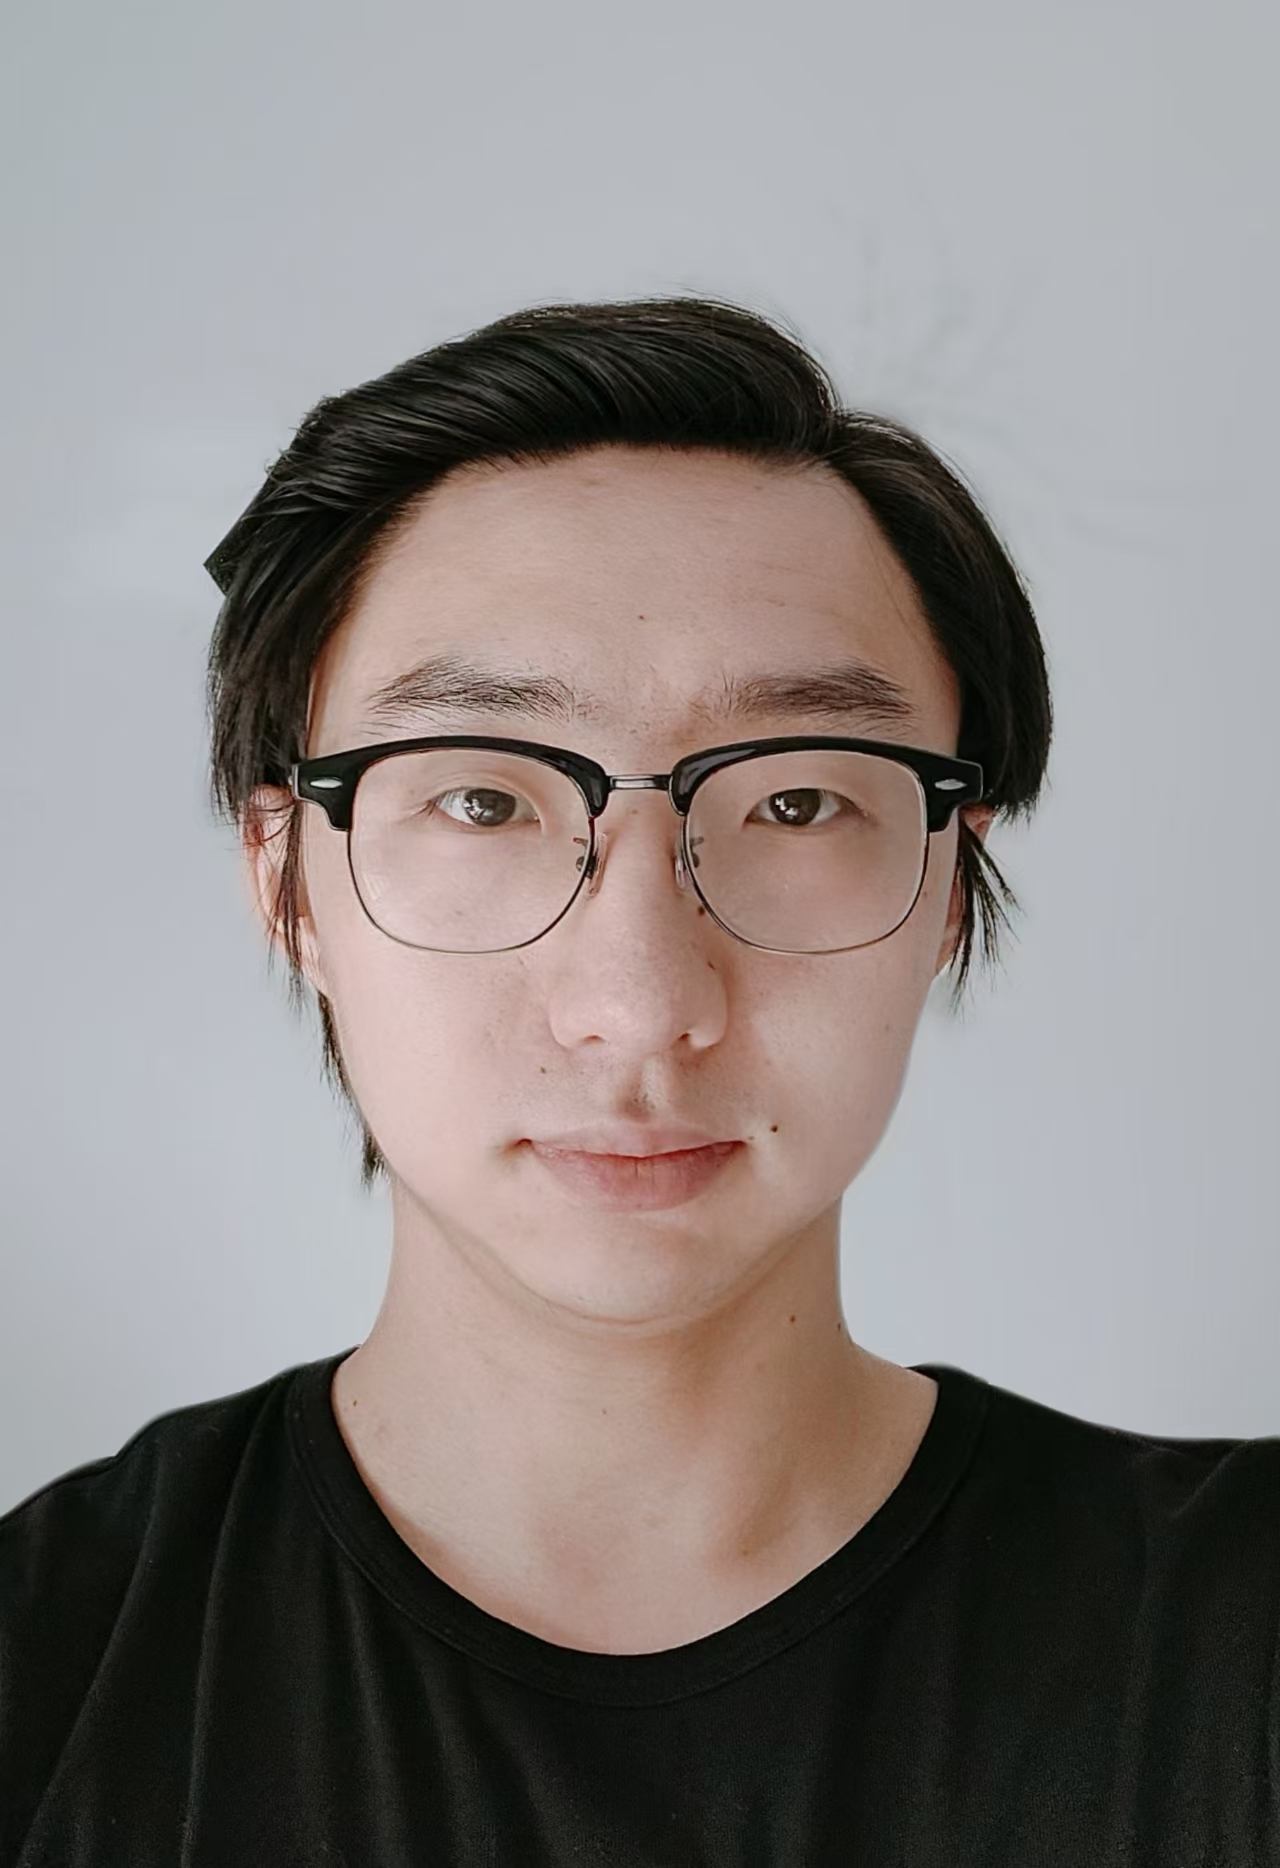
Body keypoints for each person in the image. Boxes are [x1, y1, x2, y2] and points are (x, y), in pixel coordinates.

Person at [2, 296, 1275, 1866]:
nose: (641, 1006)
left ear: (950, 887)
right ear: (287, 887)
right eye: (482, 800)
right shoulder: (49, 1668)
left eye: (796, 802)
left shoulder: (1235, 1641)